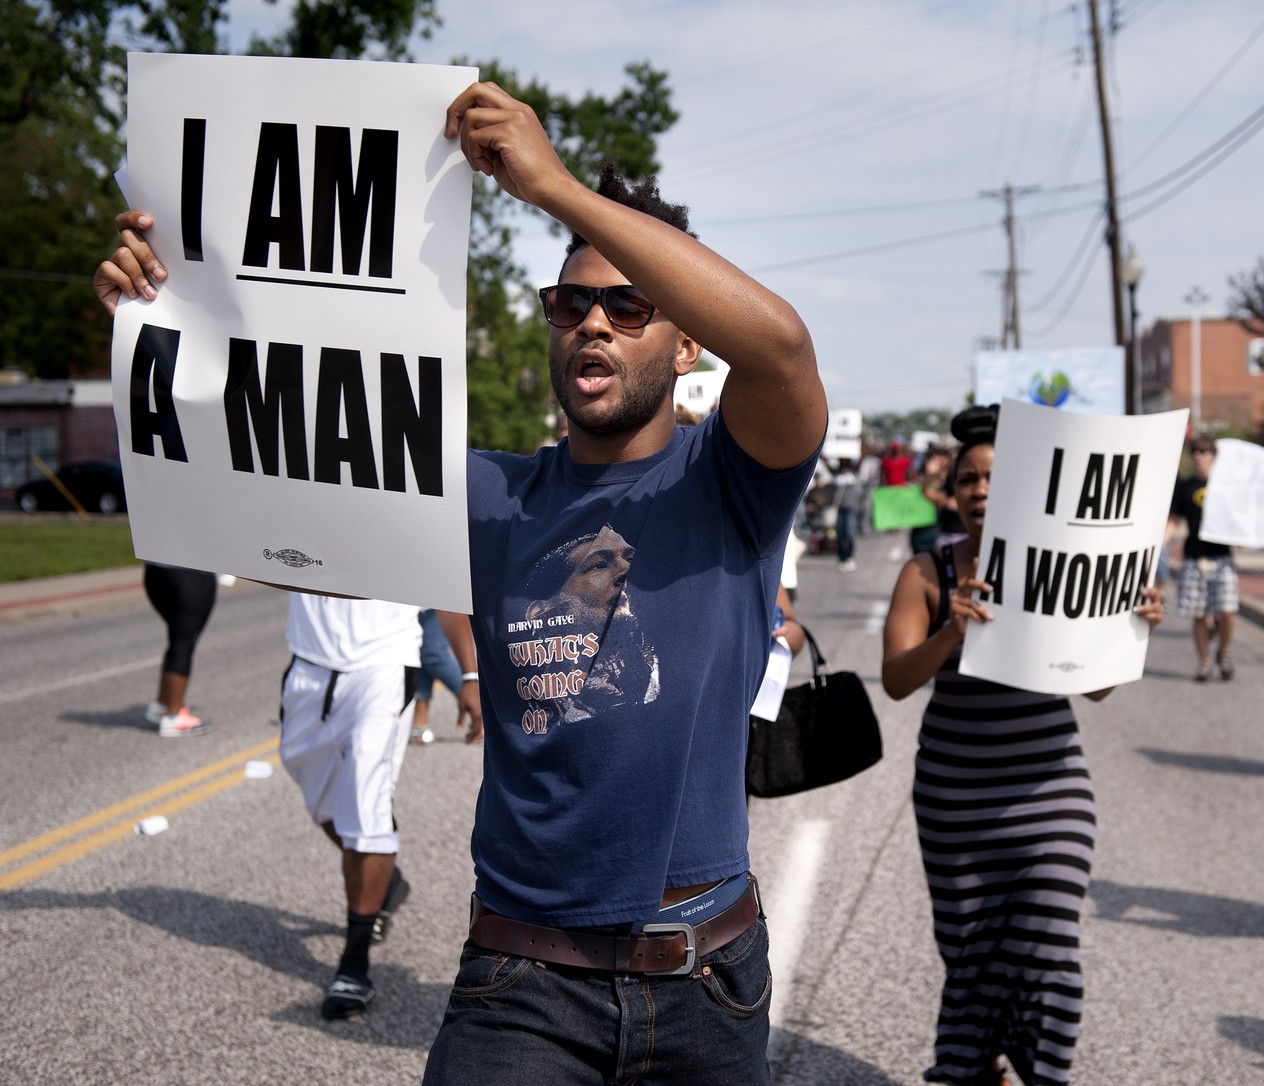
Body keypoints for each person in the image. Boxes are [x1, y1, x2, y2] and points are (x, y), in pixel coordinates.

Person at [95, 78, 824, 1080]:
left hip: (706, 978)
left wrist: (555, 188)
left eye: (630, 304)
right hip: (521, 986)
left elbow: (782, 348)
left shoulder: (734, 480)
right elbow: (260, 477)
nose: (596, 325)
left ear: (688, 337)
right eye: (573, 303)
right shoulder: (486, 495)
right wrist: (157, 313)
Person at [881, 405, 1163, 1086]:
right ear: (952, 492)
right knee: (971, 951)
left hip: (1049, 784)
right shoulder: (928, 571)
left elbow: (1095, 692)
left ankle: (1047, 1074)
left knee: (1049, 942)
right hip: (956, 795)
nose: (980, 490)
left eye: (994, 479)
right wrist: (951, 632)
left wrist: (1127, 627)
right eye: (968, 479)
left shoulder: (1063, 566)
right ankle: (977, 1068)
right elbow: (895, 681)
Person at [278, 594, 429, 1019]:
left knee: (367, 806)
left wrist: (469, 673)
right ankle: (386, 879)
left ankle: (355, 963)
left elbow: (447, 579)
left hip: (383, 660)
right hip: (309, 660)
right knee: (322, 799)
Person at [1167, 436, 1237, 681]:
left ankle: (1224, 651)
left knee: (1226, 610)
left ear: (1213, 456)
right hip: (1194, 557)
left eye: (1204, 451)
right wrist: (1160, 542)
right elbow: (1174, 520)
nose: (1198, 456)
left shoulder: (1226, 486)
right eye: (1195, 451)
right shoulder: (1186, 486)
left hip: (1222, 557)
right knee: (1199, 613)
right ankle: (1204, 662)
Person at [141, 562, 218, 737]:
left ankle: (162, 704)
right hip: (189, 574)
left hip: (155, 571)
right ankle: (173, 716)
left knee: (177, 639)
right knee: (184, 642)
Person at [409, 609, 466, 745]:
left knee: (434, 654)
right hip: (408, 600)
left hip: (432, 597)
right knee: (419, 649)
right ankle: (420, 722)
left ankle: (480, 706)